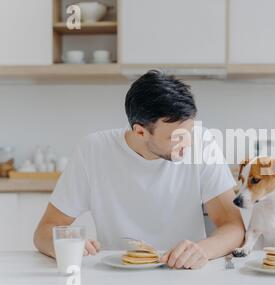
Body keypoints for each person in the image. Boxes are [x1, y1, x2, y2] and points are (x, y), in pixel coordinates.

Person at [34, 70, 245, 269]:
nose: (187, 143)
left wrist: (202, 250)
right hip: (117, 274)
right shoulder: (93, 150)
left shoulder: (203, 144)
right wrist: (66, 245)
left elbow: (233, 227)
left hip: (183, 273)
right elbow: (45, 230)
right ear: (140, 132)